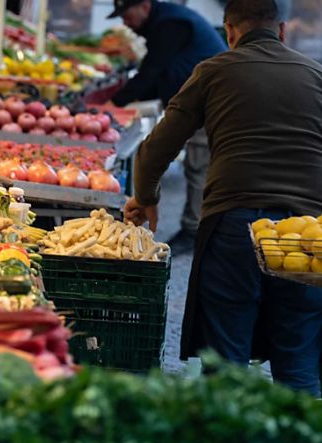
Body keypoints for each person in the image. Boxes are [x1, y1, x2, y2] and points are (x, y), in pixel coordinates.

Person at [124, 0, 322, 396]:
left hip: (234, 227)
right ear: (282, 30)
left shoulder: (214, 70)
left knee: (226, 359)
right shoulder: (316, 74)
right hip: (306, 237)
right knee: (299, 359)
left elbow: (155, 149)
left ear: (229, 32)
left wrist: (145, 197)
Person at [108, 0, 227, 248]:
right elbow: (159, 71)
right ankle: (196, 227)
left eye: (127, 14)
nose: (125, 22)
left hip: (208, 100)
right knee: (191, 161)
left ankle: (194, 231)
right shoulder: (165, 20)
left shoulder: (170, 24)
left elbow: (154, 68)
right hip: (196, 98)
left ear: (144, 6)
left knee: (198, 163)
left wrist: (116, 101)